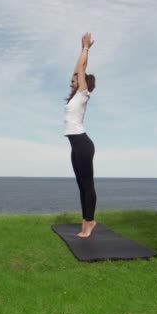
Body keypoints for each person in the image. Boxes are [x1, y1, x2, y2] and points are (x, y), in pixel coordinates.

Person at [64, 32, 97, 238]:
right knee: (81, 185)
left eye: (74, 79)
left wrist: (85, 48)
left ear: (83, 82)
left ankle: (90, 222)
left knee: (87, 184)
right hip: (75, 145)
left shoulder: (83, 94)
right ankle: (86, 220)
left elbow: (80, 68)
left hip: (83, 144)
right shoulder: (74, 98)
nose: (72, 81)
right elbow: (77, 70)